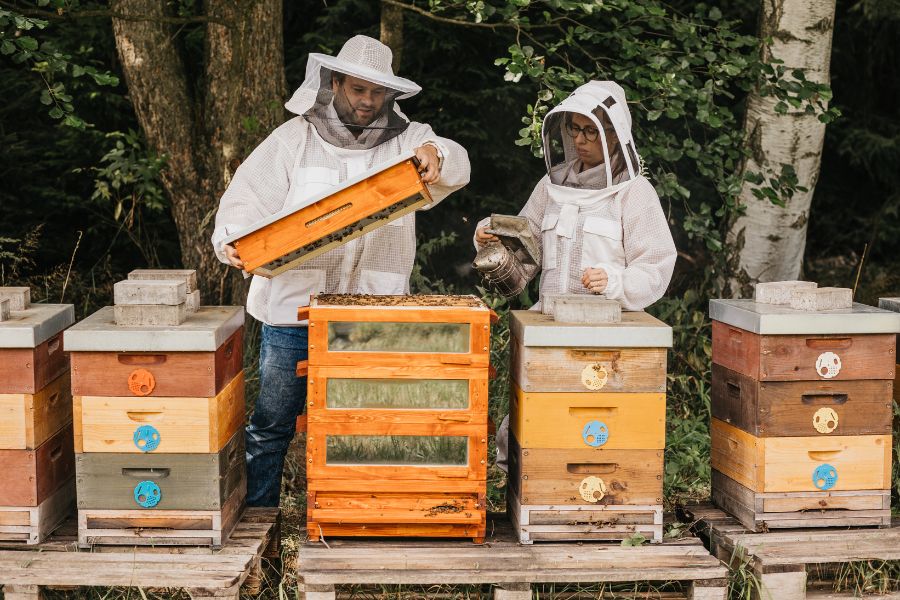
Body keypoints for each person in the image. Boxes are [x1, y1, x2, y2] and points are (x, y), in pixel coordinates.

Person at [211, 35, 471, 507]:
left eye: (377, 93)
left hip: (370, 314)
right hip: (294, 310)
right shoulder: (293, 139)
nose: (368, 102)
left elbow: (454, 159)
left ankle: (354, 525)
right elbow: (245, 199)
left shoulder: (409, 139)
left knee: (366, 426)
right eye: (357, 90)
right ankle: (260, 531)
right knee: (272, 425)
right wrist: (231, 237)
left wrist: (438, 154)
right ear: (334, 84)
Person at [474, 80, 676, 469]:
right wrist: (489, 236)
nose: (581, 140)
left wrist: (614, 281)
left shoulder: (634, 193)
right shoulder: (550, 187)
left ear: (614, 137)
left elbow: (655, 263)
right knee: (540, 419)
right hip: (548, 324)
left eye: (591, 131)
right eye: (575, 129)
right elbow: (525, 247)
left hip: (609, 333)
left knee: (597, 419)